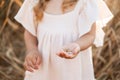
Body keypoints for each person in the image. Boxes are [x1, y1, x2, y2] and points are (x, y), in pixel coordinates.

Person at [14, 0, 113, 80]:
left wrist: (77, 45)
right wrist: (32, 50)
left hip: (73, 70)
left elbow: (90, 35)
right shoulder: (35, 2)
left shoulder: (85, 3)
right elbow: (30, 33)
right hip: (43, 69)